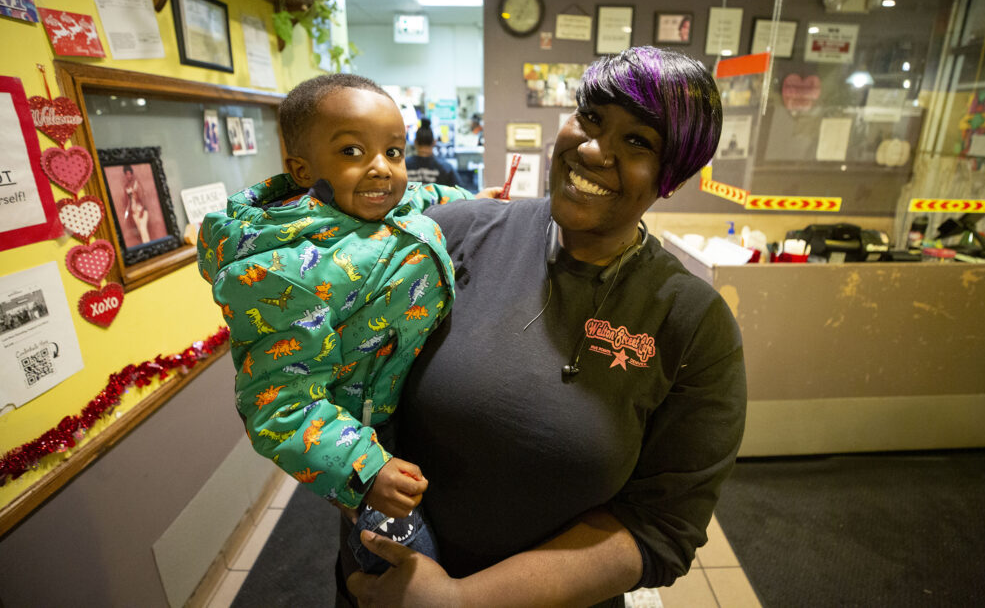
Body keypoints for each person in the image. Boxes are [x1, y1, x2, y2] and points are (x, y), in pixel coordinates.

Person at [345, 46, 747, 605]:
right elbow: (337, 384)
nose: (592, 149)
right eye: (591, 117)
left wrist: (462, 603)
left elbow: (661, 526)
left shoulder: (692, 322)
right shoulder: (450, 237)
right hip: (390, 586)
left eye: (638, 142)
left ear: (671, 177)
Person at [197, 73, 488, 575]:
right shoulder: (284, 274)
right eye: (353, 152)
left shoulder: (373, 206)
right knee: (403, 559)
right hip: (364, 435)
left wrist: (478, 200)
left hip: (405, 405)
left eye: (393, 152)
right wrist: (366, 469)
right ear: (301, 169)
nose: (382, 170)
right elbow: (279, 403)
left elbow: (422, 199)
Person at [405, 119, 459, 187]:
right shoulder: (446, 168)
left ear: (415, 142)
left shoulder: (404, 166)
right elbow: (460, 193)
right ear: (434, 142)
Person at [122, 165, 150, 244]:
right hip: (134, 212)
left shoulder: (137, 183)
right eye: (126, 174)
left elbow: (143, 197)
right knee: (140, 231)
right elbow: (128, 201)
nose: (128, 176)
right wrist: (129, 212)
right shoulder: (126, 186)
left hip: (142, 210)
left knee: (143, 228)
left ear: (132, 174)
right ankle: (147, 247)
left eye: (129, 174)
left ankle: (148, 245)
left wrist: (142, 210)